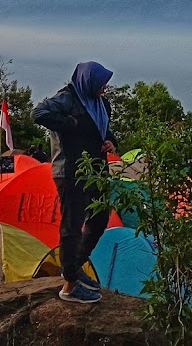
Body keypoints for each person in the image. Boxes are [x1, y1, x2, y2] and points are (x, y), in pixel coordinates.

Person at [33, 61, 116, 305]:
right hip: (70, 170)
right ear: (88, 81)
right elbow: (38, 113)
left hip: (96, 169)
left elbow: (104, 130)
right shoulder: (67, 99)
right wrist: (73, 124)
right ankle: (69, 287)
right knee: (72, 224)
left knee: (100, 218)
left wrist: (111, 142)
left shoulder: (101, 104)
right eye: (101, 84)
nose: (105, 88)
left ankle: (74, 267)